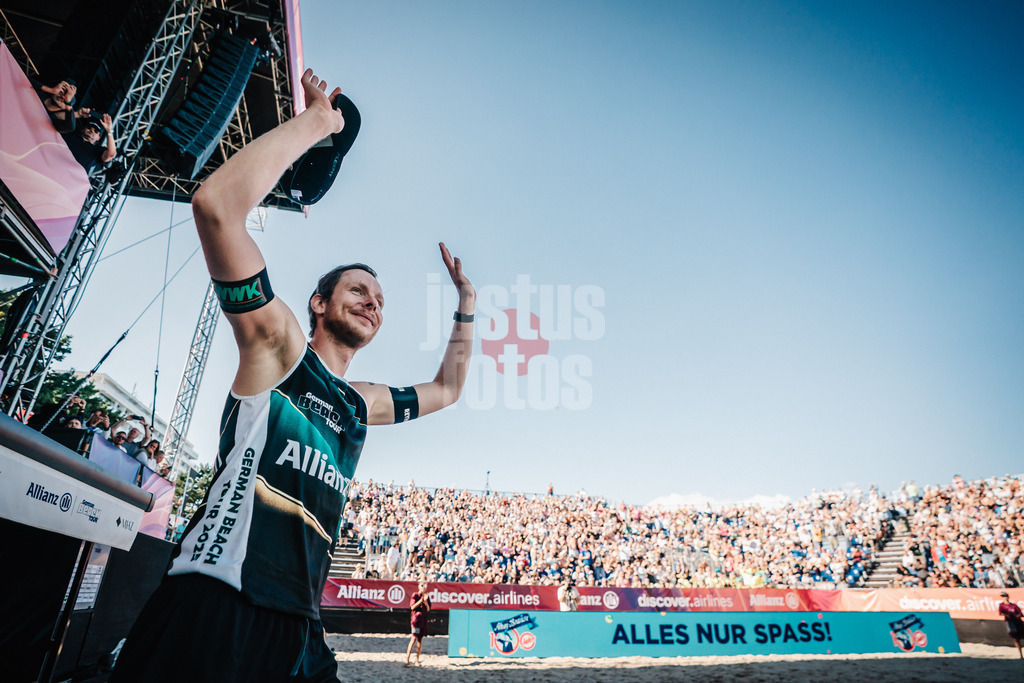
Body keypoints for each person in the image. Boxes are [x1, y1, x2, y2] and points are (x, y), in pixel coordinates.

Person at [110, 68, 475, 683]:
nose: (373, 302)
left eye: (380, 299)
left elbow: (448, 390)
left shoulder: (357, 404)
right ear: (319, 303)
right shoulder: (281, 351)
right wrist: (318, 124)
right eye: (358, 289)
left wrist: (466, 304)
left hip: (300, 624)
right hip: (219, 600)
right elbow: (217, 208)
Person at [405, 581, 431, 667]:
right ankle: (407, 660)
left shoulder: (427, 596)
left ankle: (417, 660)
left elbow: (428, 609)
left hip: (423, 620)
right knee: (413, 639)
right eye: (422, 585)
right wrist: (421, 600)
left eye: (425, 585)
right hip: (416, 620)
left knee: (420, 640)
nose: (424, 587)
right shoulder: (415, 595)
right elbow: (412, 607)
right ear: (419, 587)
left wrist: (426, 603)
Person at [998, 591, 1023, 659]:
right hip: (1010, 623)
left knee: (1020, 637)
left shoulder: (1013, 605)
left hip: (1017, 622)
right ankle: (1021, 655)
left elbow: (1020, 614)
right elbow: (1000, 613)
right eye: (1003, 597)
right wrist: (1007, 615)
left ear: (1007, 597)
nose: (1004, 598)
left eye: (1005, 596)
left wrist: (1016, 616)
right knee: (1016, 639)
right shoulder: (1002, 605)